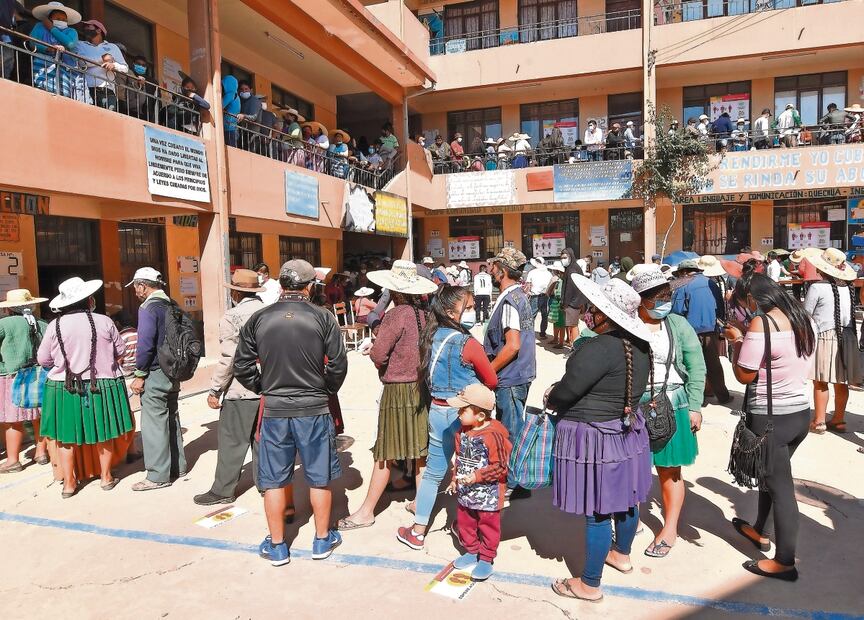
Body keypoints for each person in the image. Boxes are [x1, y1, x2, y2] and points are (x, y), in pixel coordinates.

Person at [234, 260, 348, 566]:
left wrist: (263, 386)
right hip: (314, 408)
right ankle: (322, 540)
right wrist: (324, 389)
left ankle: (278, 546)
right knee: (319, 476)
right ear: (310, 286)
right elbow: (338, 364)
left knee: (273, 479)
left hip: (274, 410)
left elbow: (241, 365)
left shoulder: (259, 318)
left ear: (282, 284)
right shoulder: (323, 318)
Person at [547, 277, 652, 603]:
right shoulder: (640, 346)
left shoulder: (597, 348)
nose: (588, 312)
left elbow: (568, 390)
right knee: (627, 499)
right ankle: (621, 553)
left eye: (593, 308)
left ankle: (589, 584)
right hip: (626, 433)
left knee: (597, 512)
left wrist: (553, 394)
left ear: (607, 315)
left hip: (595, 438)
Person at [723, 272, 816, 582]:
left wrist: (737, 342)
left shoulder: (762, 324)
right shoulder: (802, 317)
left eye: (742, 302)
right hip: (800, 412)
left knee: (782, 489)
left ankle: (785, 561)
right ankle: (759, 530)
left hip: (771, 417)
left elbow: (745, 376)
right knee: (771, 473)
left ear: (751, 298)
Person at [397, 286, 498, 550]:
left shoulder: (430, 336)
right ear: (454, 310)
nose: (474, 310)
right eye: (470, 306)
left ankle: (418, 532)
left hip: (438, 410)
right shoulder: (468, 343)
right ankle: (471, 534)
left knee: (434, 472)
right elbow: (491, 379)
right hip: (466, 414)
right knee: (473, 472)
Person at [338, 262, 436, 531]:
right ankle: (422, 506)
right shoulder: (424, 316)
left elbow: (380, 354)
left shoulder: (395, 316)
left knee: (385, 452)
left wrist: (377, 353)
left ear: (393, 290)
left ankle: (366, 511)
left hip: (396, 390)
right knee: (420, 451)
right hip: (420, 387)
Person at [631, 268, 706, 558]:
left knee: (670, 471)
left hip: (673, 403)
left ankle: (670, 528)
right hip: (635, 406)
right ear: (640, 300)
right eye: (656, 298)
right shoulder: (625, 323)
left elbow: (696, 366)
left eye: (667, 296)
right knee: (632, 470)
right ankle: (629, 520)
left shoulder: (677, 324)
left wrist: (696, 406)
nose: (664, 303)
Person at [37, 277, 134, 497]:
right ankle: (106, 477)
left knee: (65, 435)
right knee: (104, 431)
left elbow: (43, 359)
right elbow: (121, 351)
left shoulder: (55, 325)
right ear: (88, 299)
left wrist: (64, 362)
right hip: (103, 384)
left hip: (64, 387)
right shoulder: (104, 321)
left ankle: (69, 483)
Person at [193, 270, 266, 506]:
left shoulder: (232, 317)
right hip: (269, 386)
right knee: (263, 439)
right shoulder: (269, 313)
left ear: (235, 291)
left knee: (232, 441)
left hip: (241, 388)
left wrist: (215, 389)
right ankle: (267, 485)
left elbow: (229, 358)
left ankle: (223, 489)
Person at [127, 267, 186, 492]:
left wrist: (139, 375)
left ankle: (157, 475)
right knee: (172, 417)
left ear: (143, 285)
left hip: (155, 371)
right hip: (173, 370)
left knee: (153, 423)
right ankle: (178, 466)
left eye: (135, 287)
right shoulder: (171, 304)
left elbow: (145, 345)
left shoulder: (148, 308)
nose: (135, 291)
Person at [484, 247, 535, 497]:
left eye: (494, 267)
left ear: (503, 271)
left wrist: (488, 371)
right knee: (514, 427)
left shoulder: (510, 301)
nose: (491, 270)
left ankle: (516, 483)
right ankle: (517, 480)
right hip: (517, 375)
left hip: (511, 377)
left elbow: (512, 345)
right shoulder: (517, 296)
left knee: (510, 431)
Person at [446, 383, 511, 581]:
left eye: (462, 410)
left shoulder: (493, 435)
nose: (458, 414)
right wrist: (454, 480)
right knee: (466, 522)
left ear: (480, 415)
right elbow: (459, 458)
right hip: (466, 492)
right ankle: (472, 550)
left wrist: (477, 476)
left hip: (488, 495)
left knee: (488, 525)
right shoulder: (461, 432)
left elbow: (501, 466)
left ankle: (486, 558)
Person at [803, 249, 863, 434]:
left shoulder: (817, 287)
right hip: (848, 337)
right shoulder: (848, 288)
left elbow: (806, 315)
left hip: (825, 337)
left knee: (821, 381)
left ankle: (819, 421)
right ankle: (839, 420)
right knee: (841, 381)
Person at [0, 289, 49, 472]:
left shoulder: (4, 324)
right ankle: (41, 453)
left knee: (14, 420)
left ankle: (13, 461)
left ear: (8, 309)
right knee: (38, 416)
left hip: (11, 376)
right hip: (38, 374)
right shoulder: (42, 324)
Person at [671, 259, 730, 405]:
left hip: (690, 331)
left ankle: (697, 399)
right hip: (710, 329)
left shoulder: (681, 285)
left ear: (683, 272)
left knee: (693, 365)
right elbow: (721, 307)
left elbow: (678, 311)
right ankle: (723, 396)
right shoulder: (711, 283)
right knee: (714, 364)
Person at [29, 2, 82, 99]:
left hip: (64, 67)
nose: (61, 21)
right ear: (50, 18)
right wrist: (47, 48)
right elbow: (32, 43)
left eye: (64, 19)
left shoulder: (71, 31)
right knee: (41, 89)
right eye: (58, 18)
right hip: (42, 63)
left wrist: (52, 28)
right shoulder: (39, 26)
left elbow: (70, 44)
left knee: (62, 95)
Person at [76, 19, 127, 112]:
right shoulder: (80, 44)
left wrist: (114, 66)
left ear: (99, 30)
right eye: (85, 27)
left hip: (108, 90)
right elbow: (81, 62)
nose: (85, 29)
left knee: (109, 121)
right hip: (86, 89)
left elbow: (125, 68)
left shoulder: (113, 47)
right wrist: (102, 58)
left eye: (88, 26)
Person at [560, 247, 587, 345]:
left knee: (573, 325)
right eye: (561, 258)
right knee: (572, 325)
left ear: (570, 257)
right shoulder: (573, 267)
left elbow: (569, 289)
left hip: (572, 302)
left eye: (565, 257)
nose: (563, 260)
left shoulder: (572, 269)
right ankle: (573, 344)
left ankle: (575, 346)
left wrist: (565, 303)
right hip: (576, 301)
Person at [123, 55, 157, 122]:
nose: (141, 66)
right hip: (127, 110)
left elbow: (154, 101)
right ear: (133, 64)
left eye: (143, 65)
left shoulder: (151, 82)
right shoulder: (128, 75)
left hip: (144, 114)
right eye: (138, 64)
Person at [525, 257, 554, 339]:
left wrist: (527, 294)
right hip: (545, 296)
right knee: (544, 315)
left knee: (532, 315)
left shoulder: (532, 272)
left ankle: (530, 333)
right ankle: (542, 333)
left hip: (535, 296)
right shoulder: (548, 273)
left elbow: (528, 285)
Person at [236, 80, 262, 152]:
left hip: (253, 134)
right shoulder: (240, 100)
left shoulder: (255, 101)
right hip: (243, 133)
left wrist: (243, 115)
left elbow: (253, 117)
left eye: (246, 89)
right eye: (241, 89)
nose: (244, 91)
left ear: (251, 90)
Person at [222, 75, 240, 147]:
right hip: (233, 126)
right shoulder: (237, 96)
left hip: (228, 127)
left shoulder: (230, 94)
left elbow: (220, 106)